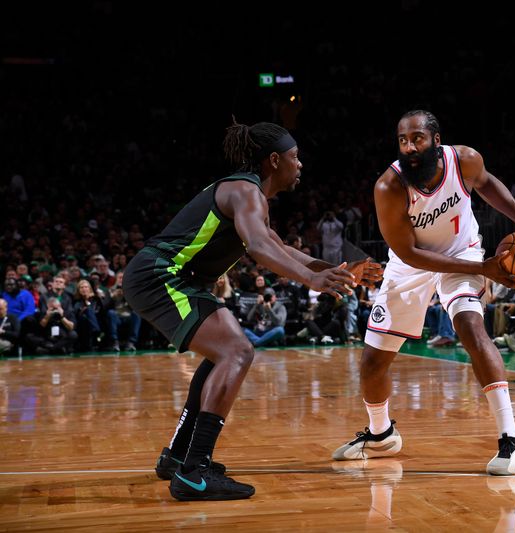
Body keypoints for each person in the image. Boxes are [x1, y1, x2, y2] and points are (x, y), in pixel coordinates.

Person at [124, 120, 381, 501]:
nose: (300, 165)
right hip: (162, 275)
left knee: (221, 354)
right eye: (295, 158)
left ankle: (179, 458)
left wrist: (335, 271)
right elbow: (261, 250)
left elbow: (283, 250)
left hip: (176, 279)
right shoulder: (245, 192)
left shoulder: (250, 196)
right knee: (237, 351)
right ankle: (195, 472)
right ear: (274, 160)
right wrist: (312, 282)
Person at [332, 110, 515, 475]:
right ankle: (381, 433)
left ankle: (512, 441)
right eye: (403, 140)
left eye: (417, 138)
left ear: (436, 140)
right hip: (411, 264)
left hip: (462, 251)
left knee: (470, 326)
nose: (409, 147)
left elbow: (487, 182)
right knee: (372, 362)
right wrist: (484, 269)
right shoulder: (389, 186)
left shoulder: (464, 159)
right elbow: (407, 253)